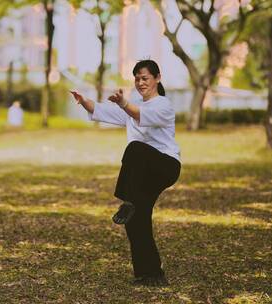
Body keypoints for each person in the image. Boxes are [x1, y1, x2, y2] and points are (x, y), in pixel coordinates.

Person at [70, 60, 181, 286]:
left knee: (135, 148)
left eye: (145, 78)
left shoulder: (163, 105)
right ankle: (150, 273)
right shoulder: (133, 108)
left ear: (157, 78)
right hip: (143, 171)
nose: (140, 83)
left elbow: (137, 113)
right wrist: (84, 102)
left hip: (165, 166)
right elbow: (103, 111)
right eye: (137, 79)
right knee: (136, 219)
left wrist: (123, 102)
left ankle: (126, 199)